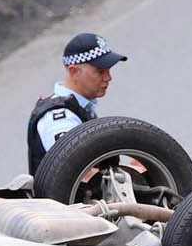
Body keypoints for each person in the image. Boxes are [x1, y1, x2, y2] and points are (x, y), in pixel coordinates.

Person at [26, 32, 127, 175]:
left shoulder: (82, 108)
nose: (108, 78)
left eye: (108, 70)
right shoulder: (60, 118)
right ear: (74, 72)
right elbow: (72, 170)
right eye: (100, 71)